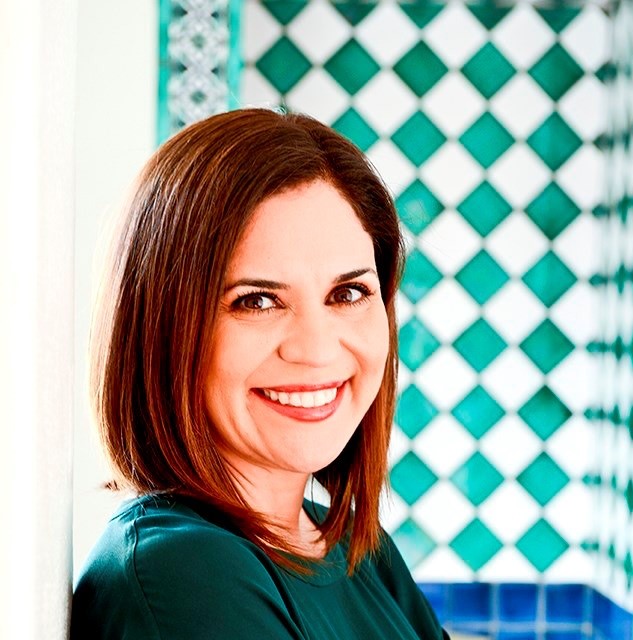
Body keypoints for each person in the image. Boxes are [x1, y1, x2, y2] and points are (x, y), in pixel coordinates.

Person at [71, 108, 450, 639]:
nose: (317, 350)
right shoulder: (185, 571)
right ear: (162, 326)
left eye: (348, 293)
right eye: (256, 301)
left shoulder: (357, 550)